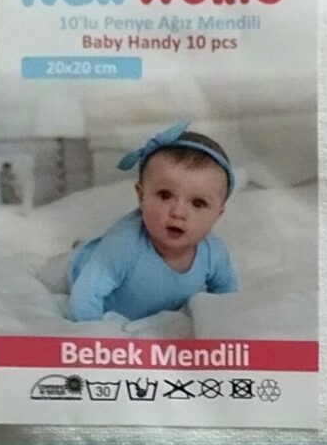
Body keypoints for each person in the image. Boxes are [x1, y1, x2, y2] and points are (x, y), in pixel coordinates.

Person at [65, 123, 238, 323]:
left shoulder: (214, 253)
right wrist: (95, 336)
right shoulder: (123, 245)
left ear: (218, 214)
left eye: (198, 203)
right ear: (141, 196)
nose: (178, 212)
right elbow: (84, 298)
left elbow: (228, 301)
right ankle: (81, 250)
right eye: (165, 195)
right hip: (87, 272)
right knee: (68, 267)